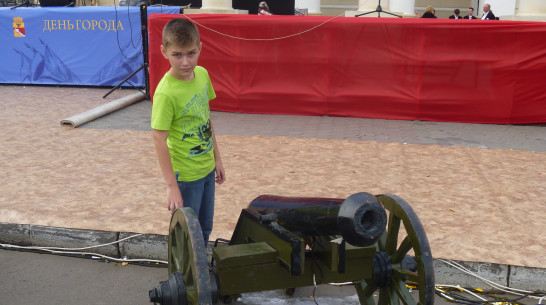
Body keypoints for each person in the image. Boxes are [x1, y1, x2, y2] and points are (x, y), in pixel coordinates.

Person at [151, 18, 226, 245]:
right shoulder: (166, 93)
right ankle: (186, 278)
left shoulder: (202, 75)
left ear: (200, 48)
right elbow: (158, 138)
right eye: (177, 55)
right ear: (164, 52)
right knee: (187, 235)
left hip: (206, 169)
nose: (185, 62)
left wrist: (218, 159)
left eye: (191, 53)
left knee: (205, 229)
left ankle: (199, 276)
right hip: (185, 175)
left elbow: (206, 119)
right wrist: (171, 186)